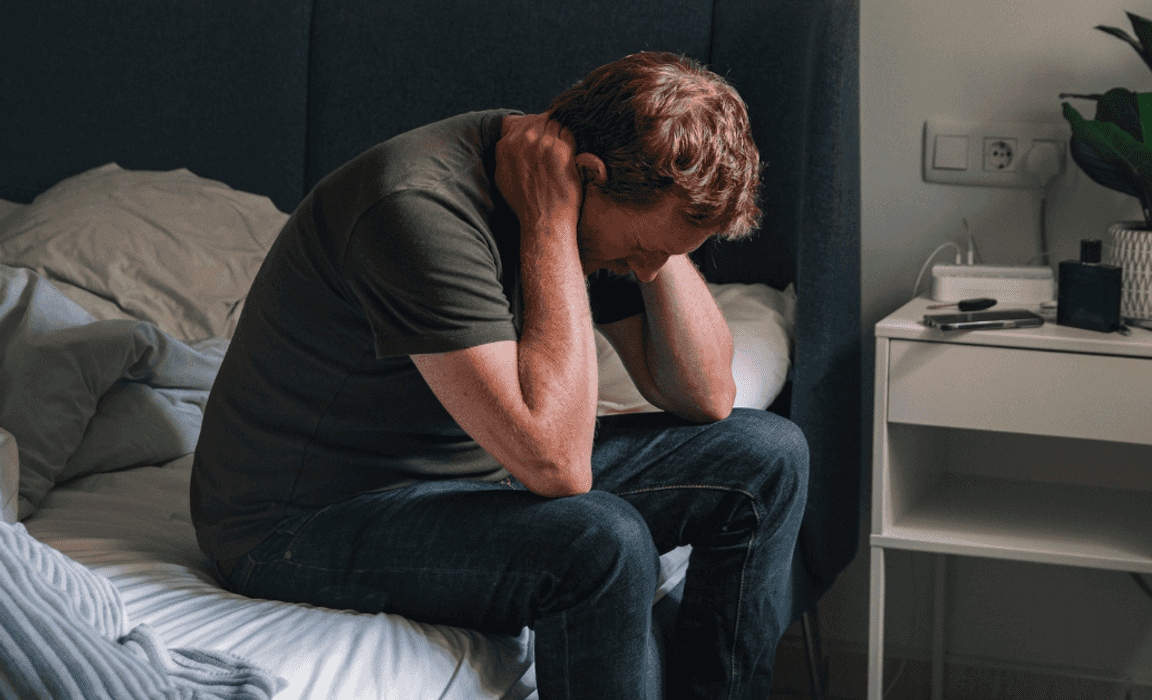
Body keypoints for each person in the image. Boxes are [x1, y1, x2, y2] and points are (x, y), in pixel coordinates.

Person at [190, 51, 808, 700]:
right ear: (588, 177)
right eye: (641, 250)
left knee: (768, 454)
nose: (646, 271)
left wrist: (666, 235)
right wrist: (547, 225)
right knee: (602, 542)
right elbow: (558, 467)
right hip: (304, 519)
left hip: (471, 465)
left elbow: (706, 396)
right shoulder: (418, 208)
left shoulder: (594, 193)